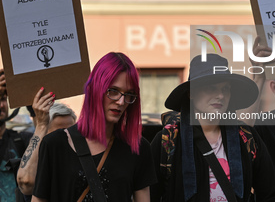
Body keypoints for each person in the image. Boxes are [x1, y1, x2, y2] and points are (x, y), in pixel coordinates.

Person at [150, 53, 275, 202]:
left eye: (225, 88)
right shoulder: (168, 140)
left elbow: (270, 194)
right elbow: (149, 196)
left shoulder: (247, 138)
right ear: (191, 93)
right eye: (211, 87)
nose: (220, 95)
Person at [32, 52, 157, 202]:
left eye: (129, 94)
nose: (121, 101)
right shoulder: (54, 144)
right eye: (113, 91)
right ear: (95, 89)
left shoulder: (138, 148)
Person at [17, 98, 76, 201]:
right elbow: (26, 181)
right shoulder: (37, 166)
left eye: (70, 131)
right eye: (59, 133)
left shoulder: (82, 158)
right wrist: (42, 125)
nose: (66, 137)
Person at [0, 69, 33, 202]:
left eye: (3, 99)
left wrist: (28, 98)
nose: (1, 105)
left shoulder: (22, 140)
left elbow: (48, 146)